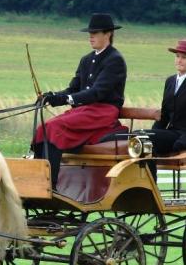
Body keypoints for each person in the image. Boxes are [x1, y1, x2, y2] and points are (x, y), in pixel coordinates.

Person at [33, 13, 127, 189]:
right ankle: (40, 179)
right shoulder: (86, 60)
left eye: (95, 33)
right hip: (84, 111)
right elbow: (73, 89)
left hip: (103, 111)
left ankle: (49, 185)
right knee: (42, 129)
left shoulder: (115, 60)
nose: (91, 36)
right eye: (90, 33)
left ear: (108, 34)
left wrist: (66, 99)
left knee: (55, 128)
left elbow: (97, 92)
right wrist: (52, 96)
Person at [147, 39, 186, 180]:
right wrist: (153, 132)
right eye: (177, 56)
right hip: (171, 134)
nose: (179, 60)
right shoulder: (170, 81)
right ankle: (143, 184)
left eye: (184, 57)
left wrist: (185, 139)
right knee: (140, 137)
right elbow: (164, 116)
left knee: (146, 138)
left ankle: (152, 188)